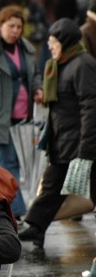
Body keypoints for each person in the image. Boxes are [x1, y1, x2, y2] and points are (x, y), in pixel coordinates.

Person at [18, 19, 96, 248]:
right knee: (53, 184)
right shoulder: (60, 64)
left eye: (53, 42)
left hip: (79, 141)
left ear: (66, 42)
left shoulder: (83, 64)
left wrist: (87, 147)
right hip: (63, 140)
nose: (50, 46)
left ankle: (35, 226)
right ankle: (35, 226)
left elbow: (90, 106)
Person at [0, 6, 43, 218]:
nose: (15, 30)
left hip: (24, 115)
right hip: (0, 115)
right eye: (10, 26)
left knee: (21, 163)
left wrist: (38, 88)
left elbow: (35, 73)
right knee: (6, 163)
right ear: (0, 25)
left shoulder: (26, 47)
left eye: (19, 26)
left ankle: (14, 207)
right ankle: (18, 210)